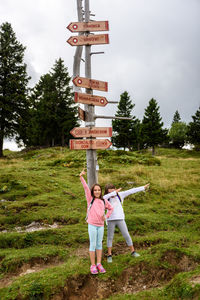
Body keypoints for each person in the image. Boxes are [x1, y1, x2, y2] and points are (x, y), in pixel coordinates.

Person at [79, 169, 114, 274]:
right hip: (92, 225)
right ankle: (93, 265)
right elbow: (85, 188)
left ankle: (99, 263)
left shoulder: (103, 200)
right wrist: (81, 177)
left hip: (101, 225)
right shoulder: (90, 199)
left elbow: (111, 208)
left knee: (99, 244)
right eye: (95, 190)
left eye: (99, 190)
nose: (97, 192)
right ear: (92, 191)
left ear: (101, 191)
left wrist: (106, 216)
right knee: (93, 244)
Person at [104, 182, 150, 263]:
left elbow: (131, 191)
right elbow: (103, 197)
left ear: (115, 189)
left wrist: (143, 187)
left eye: (113, 190)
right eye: (110, 191)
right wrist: (113, 193)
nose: (112, 193)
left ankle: (133, 251)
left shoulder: (120, 195)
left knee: (126, 235)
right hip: (110, 219)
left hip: (120, 219)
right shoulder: (106, 198)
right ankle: (109, 255)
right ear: (107, 192)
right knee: (110, 237)